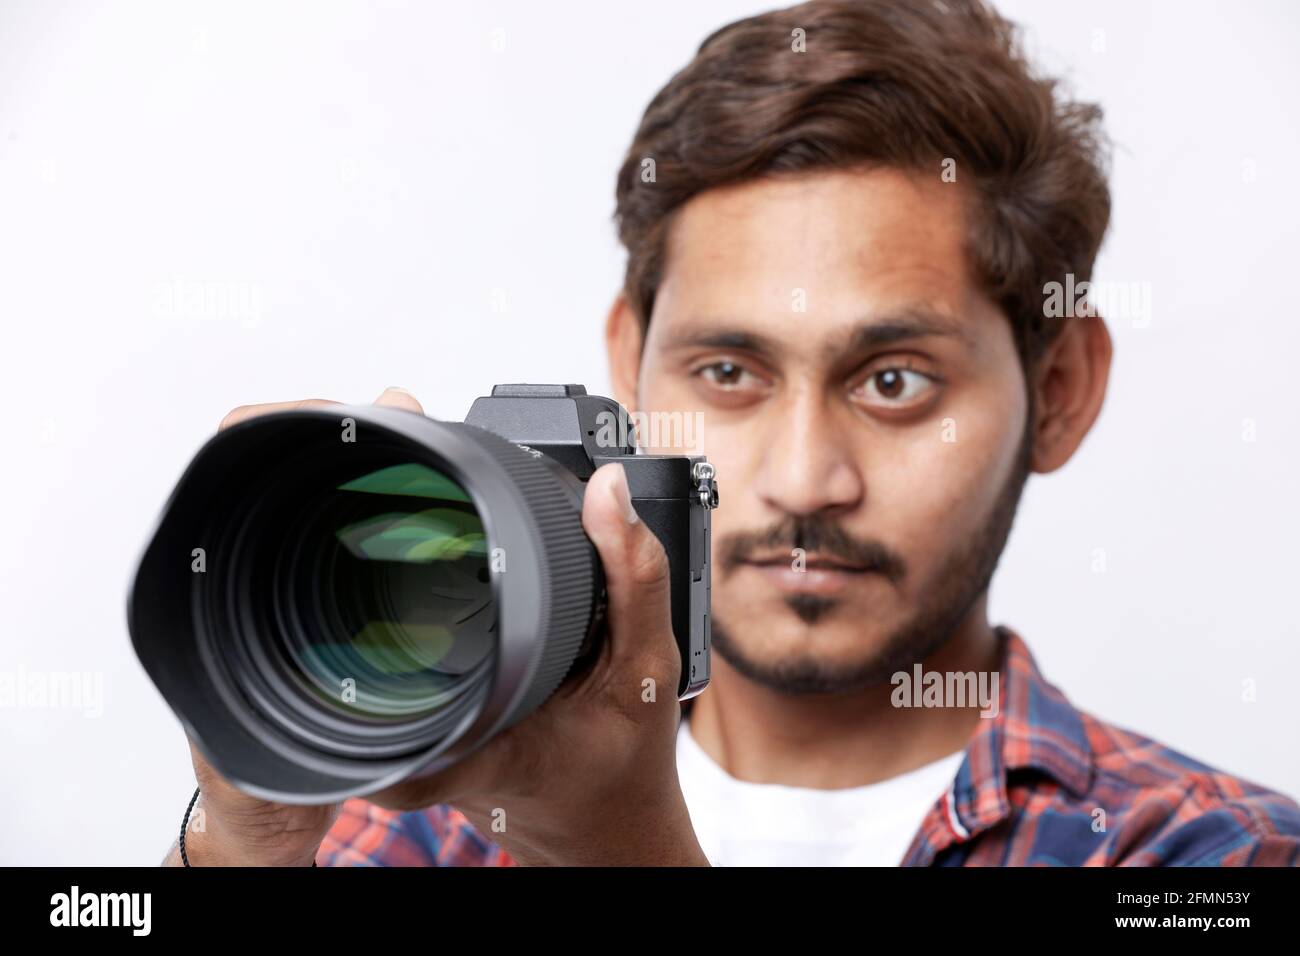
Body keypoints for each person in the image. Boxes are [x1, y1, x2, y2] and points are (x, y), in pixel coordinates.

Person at [165, 0, 1300, 867]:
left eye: (893, 379)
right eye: (726, 371)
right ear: (628, 367)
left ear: (1059, 389)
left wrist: (610, 845)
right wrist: (241, 836)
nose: (803, 478)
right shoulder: (404, 827)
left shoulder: (1197, 850)